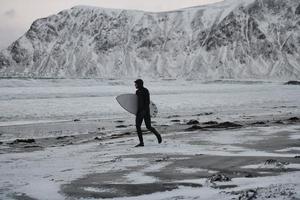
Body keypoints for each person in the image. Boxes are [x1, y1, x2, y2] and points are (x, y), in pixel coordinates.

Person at [134, 79, 162, 147]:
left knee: (148, 126)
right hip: (139, 111)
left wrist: (144, 111)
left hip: (145, 111)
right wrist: (136, 111)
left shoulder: (145, 91)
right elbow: (136, 103)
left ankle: (158, 135)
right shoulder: (137, 92)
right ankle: (141, 142)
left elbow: (147, 102)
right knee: (138, 126)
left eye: (136, 84)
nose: (135, 85)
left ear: (139, 84)